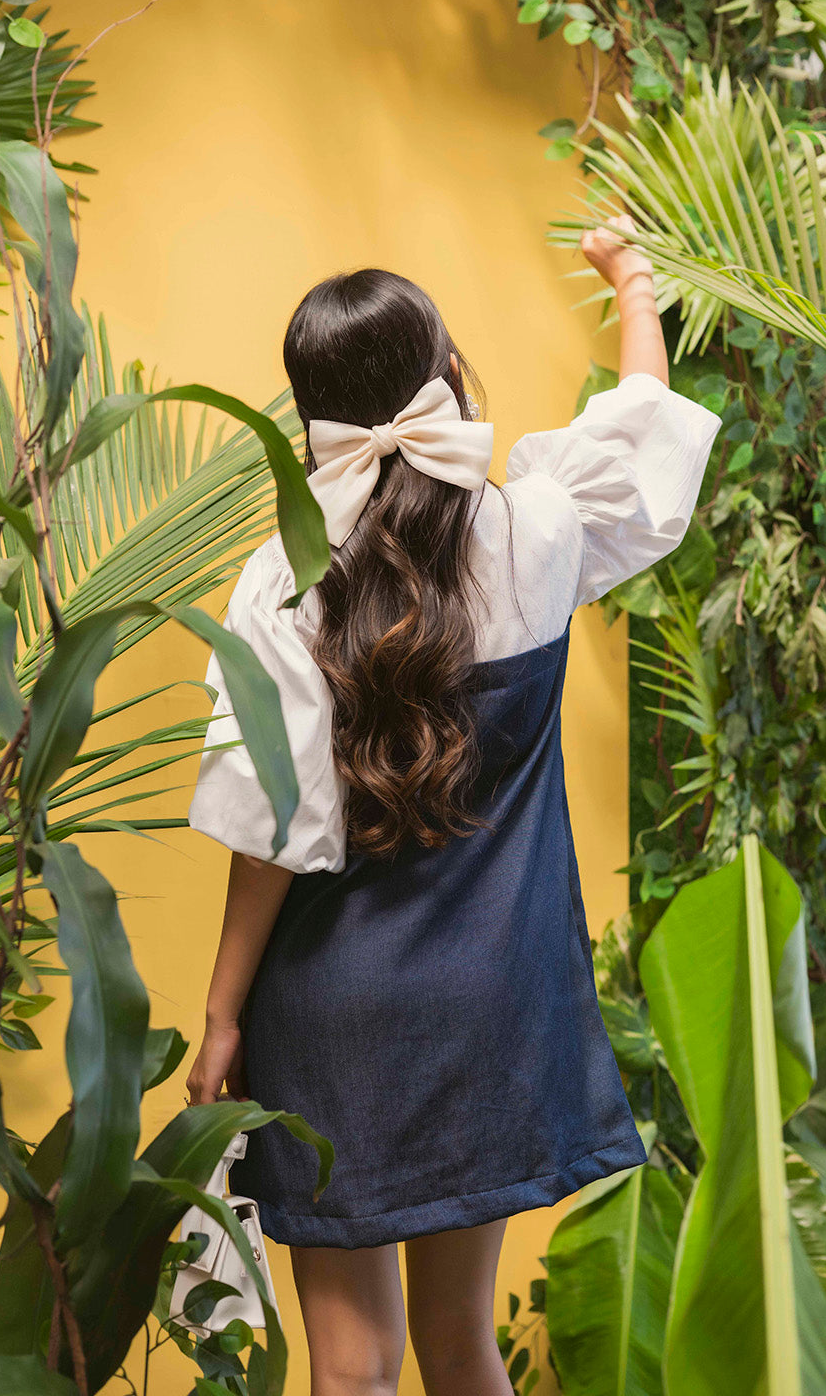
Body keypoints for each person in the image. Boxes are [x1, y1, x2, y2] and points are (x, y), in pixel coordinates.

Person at [185, 216, 722, 1396]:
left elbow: (272, 832)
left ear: (309, 413)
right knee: (460, 1342)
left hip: (333, 1011)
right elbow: (644, 433)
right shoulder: (534, 525)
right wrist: (632, 283)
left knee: (352, 1365)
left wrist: (223, 1014)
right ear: (446, 377)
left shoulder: (283, 580)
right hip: (491, 1002)